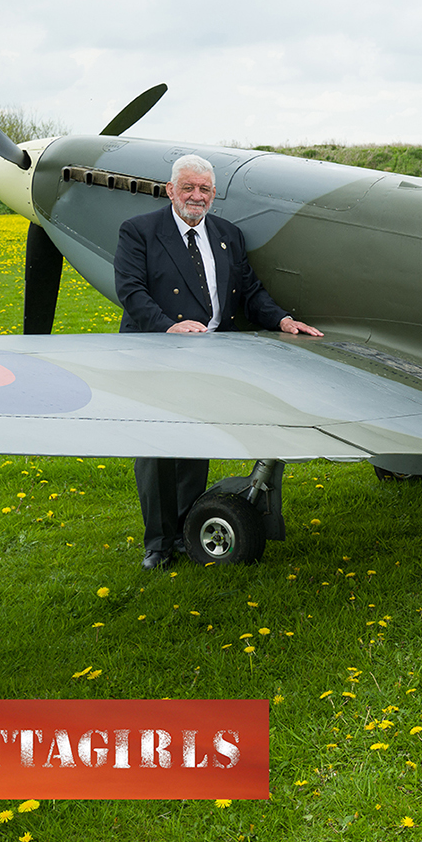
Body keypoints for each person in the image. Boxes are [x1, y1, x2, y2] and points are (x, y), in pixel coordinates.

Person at [114, 154, 322, 568]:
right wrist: (166, 327)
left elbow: (249, 291)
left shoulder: (227, 234)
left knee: (195, 444)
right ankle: (157, 543)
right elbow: (131, 290)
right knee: (156, 450)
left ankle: (184, 529)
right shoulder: (139, 231)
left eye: (204, 189)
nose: (196, 196)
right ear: (170, 190)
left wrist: (282, 319)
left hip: (209, 355)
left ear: (213, 194)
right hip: (158, 351)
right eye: (188, 187)